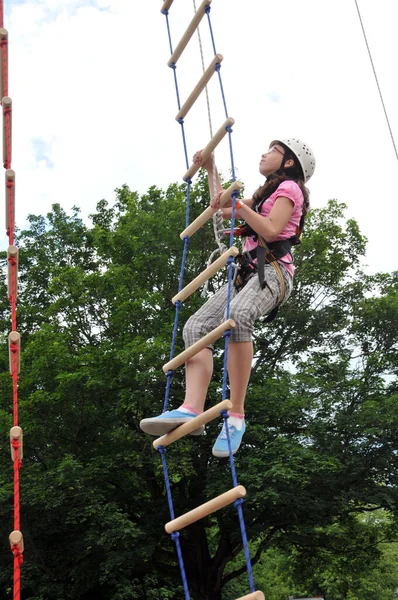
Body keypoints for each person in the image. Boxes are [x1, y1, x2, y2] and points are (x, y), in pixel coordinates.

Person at [140, 138, 315, 457]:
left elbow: (273, 230)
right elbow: (219, 208)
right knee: (196, 328)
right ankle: (192, 407)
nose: (264, 153)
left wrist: (241, 206)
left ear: (289, 162)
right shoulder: (264, 195)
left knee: (240, 316)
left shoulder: (290, 189)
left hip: (274, 272)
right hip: (247, 275)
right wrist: (211, 169)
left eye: (273, 151)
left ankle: (235, 415)